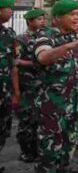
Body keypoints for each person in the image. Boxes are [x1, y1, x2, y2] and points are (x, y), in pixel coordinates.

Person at [34, 0, 78, 173]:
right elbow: (43, 57)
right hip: (52, 104)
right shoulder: (46, 35)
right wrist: (65, 47)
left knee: (68, 143)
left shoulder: (73, 38)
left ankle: (63, 167)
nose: (77, 18)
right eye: (72, 15)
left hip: (71, 104)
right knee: (50, 146)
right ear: (57, 18)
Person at [12, 9, 48, 163]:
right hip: (27, 87)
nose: (42, 22)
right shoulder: (21, 39)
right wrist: (17, 91)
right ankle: (27, 152)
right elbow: (16, 63)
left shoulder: (45, 37)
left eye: (43, 19)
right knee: (27, 122)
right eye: (39, 19)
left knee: (41, 121)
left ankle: (39, 151)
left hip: (43, 86)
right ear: (29, 21)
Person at [0, 0, 16, 173]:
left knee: (3, 129)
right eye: (9, 8)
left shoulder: (9, 34)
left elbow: (14, 64)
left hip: (4, 93)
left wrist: (16, 91)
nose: (11, 11)